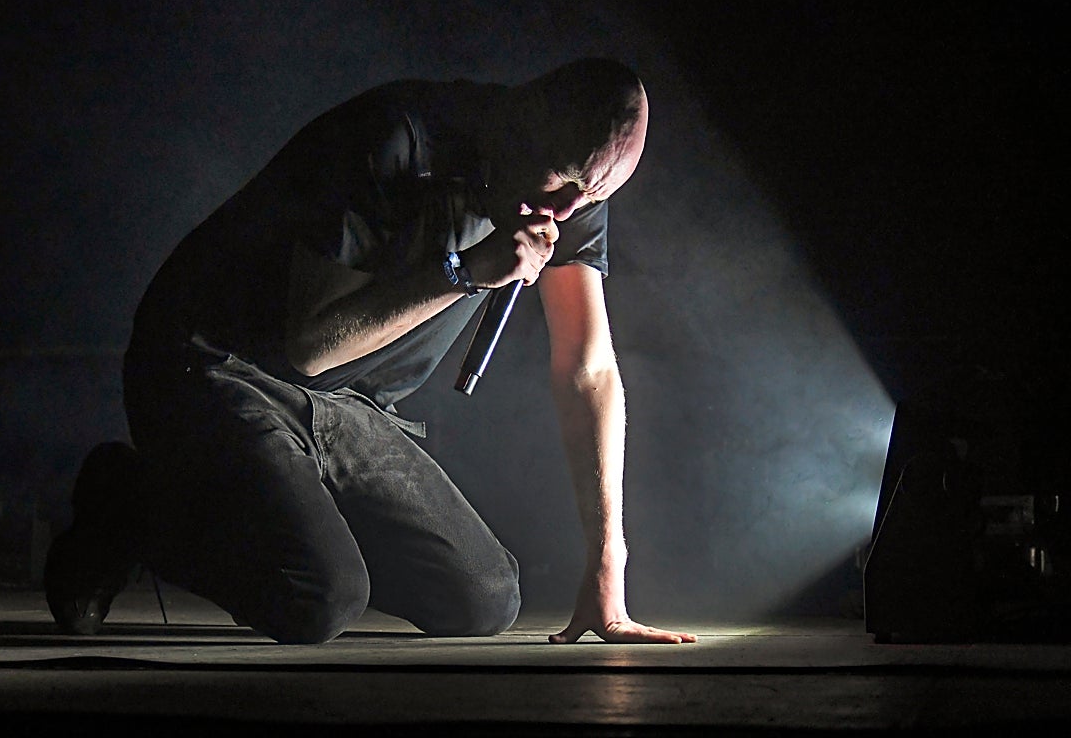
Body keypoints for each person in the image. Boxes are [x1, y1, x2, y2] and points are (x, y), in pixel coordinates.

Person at [44, 57, 696, 645]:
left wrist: (608, 567)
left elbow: (589, 371)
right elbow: (311, 345)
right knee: (319, 598)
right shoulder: (396, 138)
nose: (569, 212)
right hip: (218, 365)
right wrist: (467, 272)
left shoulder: (574, 190)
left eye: (594, 198)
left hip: (347, 404)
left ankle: (294, 521)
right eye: (565, 186)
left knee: (482, 599)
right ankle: (127, 502)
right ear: (525, 120)